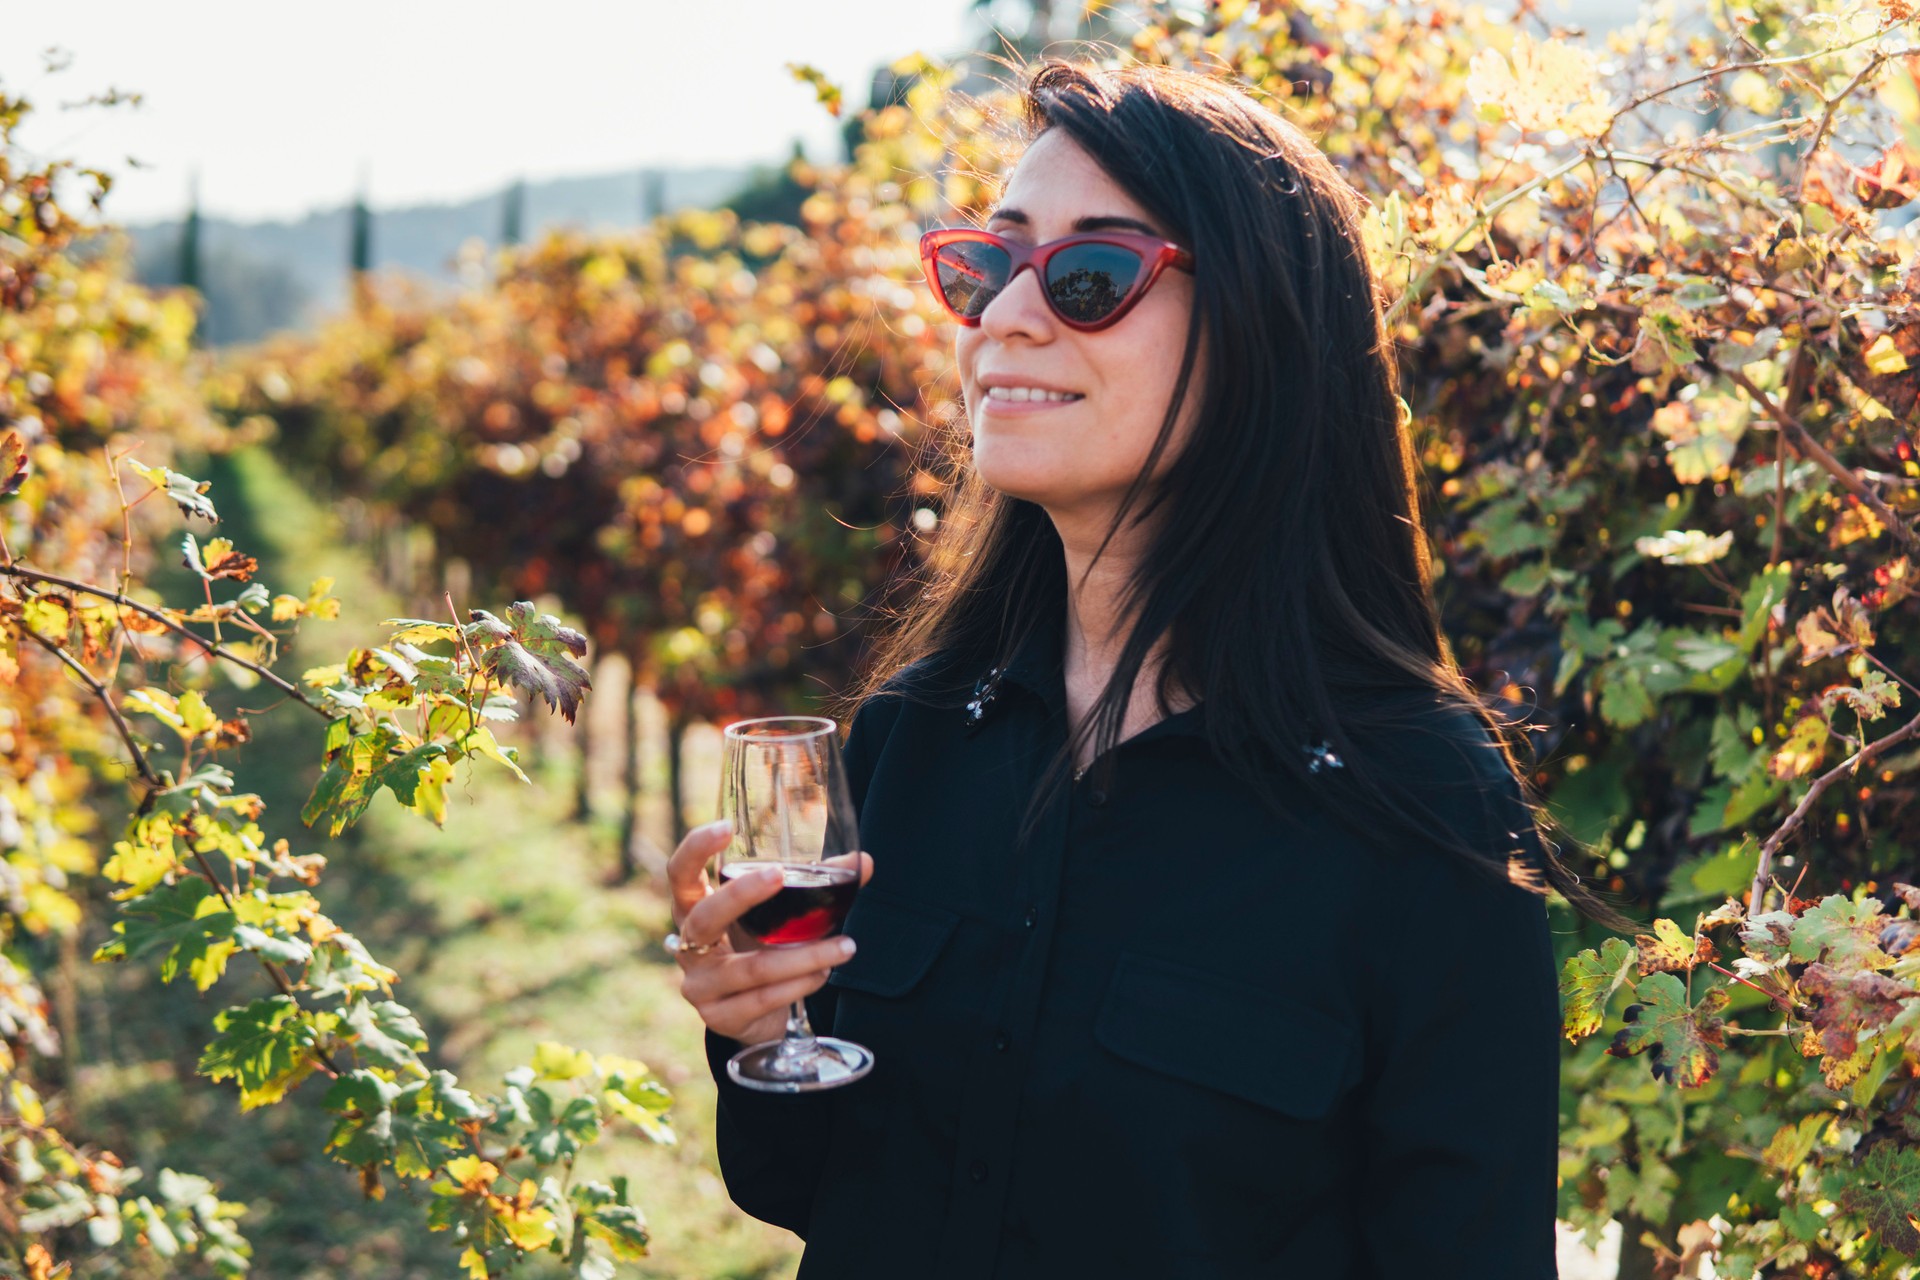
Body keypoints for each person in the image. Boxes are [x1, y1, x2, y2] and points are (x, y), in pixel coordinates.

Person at [665, 56, 1632, 1278]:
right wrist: (758, 1028)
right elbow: (806, 1184)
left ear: (1261, 334)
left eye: (1089, 276)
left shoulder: (1414, 797)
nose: (1008, 314)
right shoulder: (913, 731)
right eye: (988, 263)